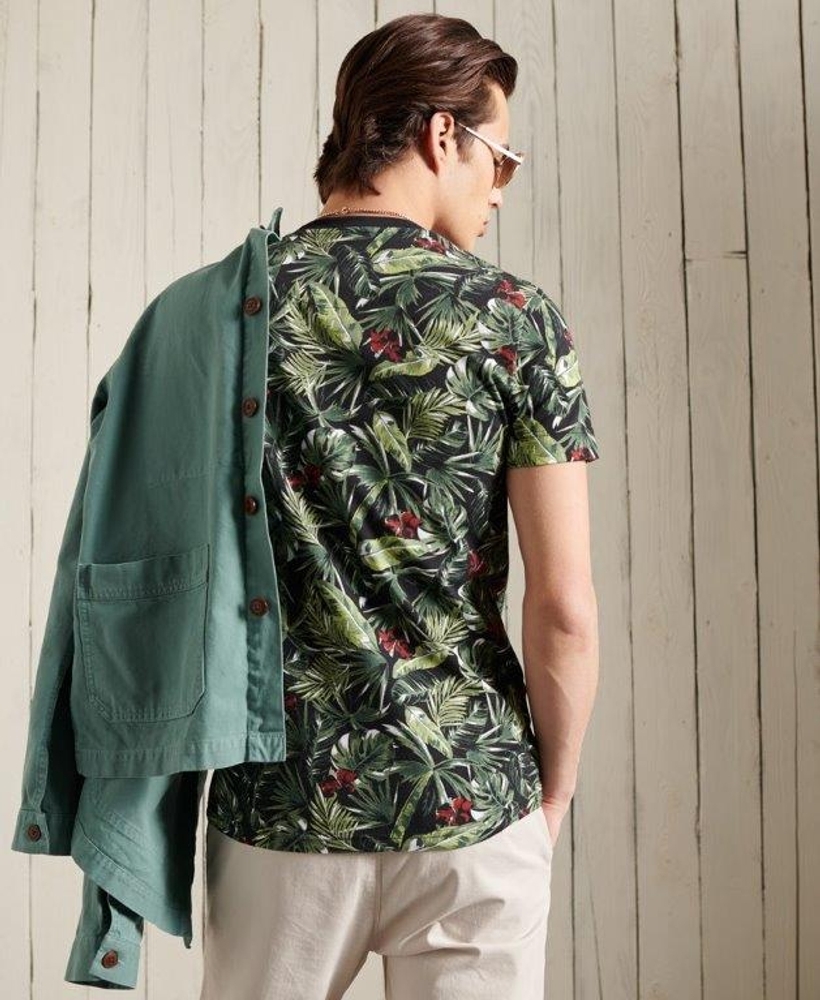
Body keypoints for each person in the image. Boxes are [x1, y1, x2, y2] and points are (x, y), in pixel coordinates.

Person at [200, 12, 601, 1000]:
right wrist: (551, 790)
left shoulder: (224, 312)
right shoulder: (515, 321)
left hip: (281, 802)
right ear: (440, 136)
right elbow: (562, 607)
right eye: (500, 159)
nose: (499, 189)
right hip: (472, 795)